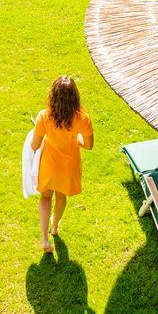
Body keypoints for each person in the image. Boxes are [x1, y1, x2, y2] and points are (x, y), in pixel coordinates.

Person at [31, 76, 94, 254]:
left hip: (48, 167)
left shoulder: (44, 116)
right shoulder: (83, 119)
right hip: (68, 168)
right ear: (75, 97)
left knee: (45, 198)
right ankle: (55, 227)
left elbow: (34, 145)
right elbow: (89, 145)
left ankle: (44, 239)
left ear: (53, 96)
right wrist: (76, 139)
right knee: (61, 197)